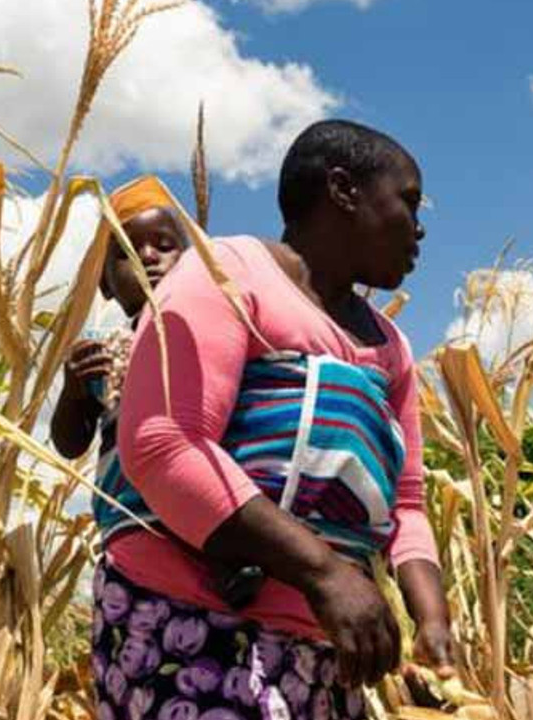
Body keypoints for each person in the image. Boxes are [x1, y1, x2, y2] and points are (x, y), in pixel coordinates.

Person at [94, 119, 453, 720]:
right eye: (408, 202)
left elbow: (407, 503)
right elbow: (165, 442)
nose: (418, 229)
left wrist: (432, 621)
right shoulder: (230, 273)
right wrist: (324, 573)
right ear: (343, 190)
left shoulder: (390, 347)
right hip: (189, 620)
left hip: (324, 643)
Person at [49, 175, 188, 541]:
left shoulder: (212, 337)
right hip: (130, 526)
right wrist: (74, 392)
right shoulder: (104, 350)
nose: (147, 258)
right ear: (106, 285)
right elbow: (70, 445)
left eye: (164, 245)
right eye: (126, 253)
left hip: (209, 527)